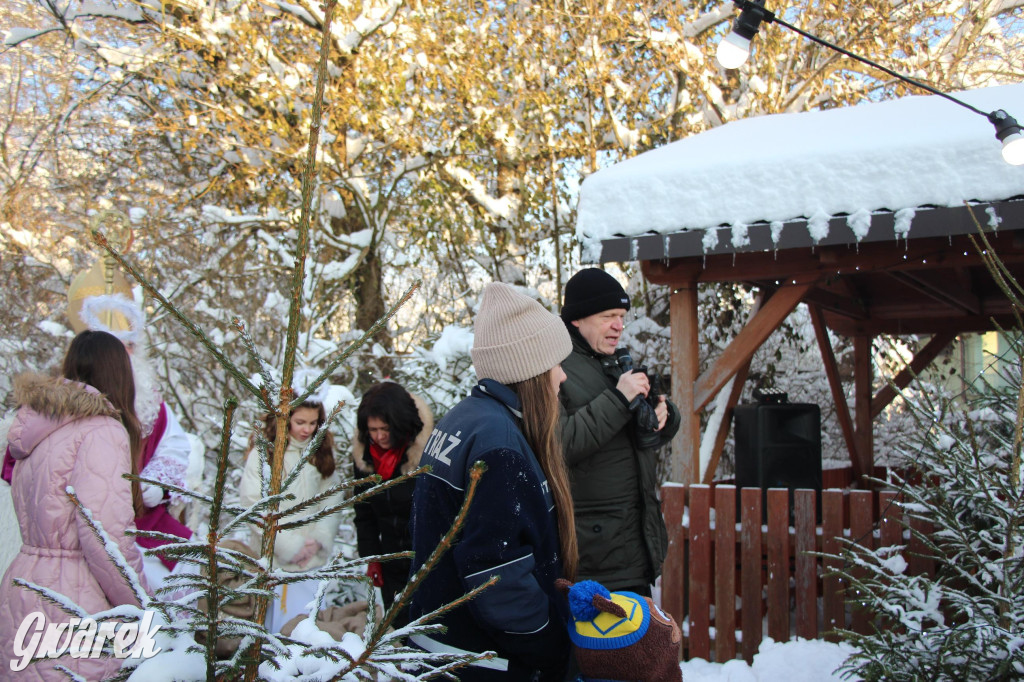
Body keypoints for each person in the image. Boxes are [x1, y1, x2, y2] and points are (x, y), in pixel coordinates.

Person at [408, 282, 577, 681]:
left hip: (443, 648)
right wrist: (550, 647)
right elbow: (497, 576)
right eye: (555, 363)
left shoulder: (464, 419)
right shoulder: (499, 447)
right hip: (482, 663)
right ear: (531, 370)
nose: (563, 376)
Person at [0, 331, 152, 680]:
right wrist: (145, 607)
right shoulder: (102, 431)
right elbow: (104, 536)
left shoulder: (40, 427)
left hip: (22, 585)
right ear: (119, 375)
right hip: (74, 600)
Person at [558, 268, 681, 596]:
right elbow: (560, 443)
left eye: (622, 316)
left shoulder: (611, 361)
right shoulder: (555, 368)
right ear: (577, 320)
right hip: (594, 555)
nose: (619, 325)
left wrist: (662, 416)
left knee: (635, 643)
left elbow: (635, 437)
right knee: (604, 646)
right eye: (608, 316)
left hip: (632, 543)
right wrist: (619, 398)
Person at [239, 396, 344, 632]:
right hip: (274, 561)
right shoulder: (265, 452)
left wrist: (318, 540)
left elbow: (331, 498)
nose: (307, 429)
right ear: (285, 420)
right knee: (276, 627)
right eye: (300, 422)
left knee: (310, 626)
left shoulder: (320, 452)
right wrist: (289, 545)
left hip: (311, 561)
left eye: (313, 423)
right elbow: (254, 502)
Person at [352, 381, 433, 627]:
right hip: (389, 559)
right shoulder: (365, 455)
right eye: (372, 429)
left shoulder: (427, 453)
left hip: (426, 558)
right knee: (397, 625)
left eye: (385, 428)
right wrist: (371, 556)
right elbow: (363, 510)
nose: (378, 436)